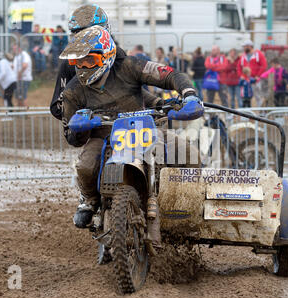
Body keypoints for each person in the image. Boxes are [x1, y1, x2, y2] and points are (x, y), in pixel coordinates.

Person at [59, 25, 202, 228]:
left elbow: (169, 74)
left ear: (106, 55)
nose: (84, 67)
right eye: (78, 61)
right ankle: (90, 200)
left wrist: (188, 94)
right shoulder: (72, 91)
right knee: (85, 165)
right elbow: (71, 137)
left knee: (189, 154)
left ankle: (187, 204)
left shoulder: (128, 66)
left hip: (146, 129)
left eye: (90, 60)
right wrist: (81, 126)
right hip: (104, 136)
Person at [50, 4, 163, 122]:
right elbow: (56, 107)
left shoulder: (116, 54)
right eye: (78, 33)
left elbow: (128, 87)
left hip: (121, 123)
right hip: (92, 128)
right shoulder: (69, 63)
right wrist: (86, 115)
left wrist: (157, 102)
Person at [237, 39, 267, 107]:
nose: (244, 48)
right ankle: (247, 114)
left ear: (249, 46)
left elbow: (263, 65)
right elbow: (238, 67)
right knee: (246, 97)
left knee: (258, 96)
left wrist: (258, 75)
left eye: (245, 46)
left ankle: (261, 113)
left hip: (255, 80)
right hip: (246, 80)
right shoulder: (243, 56)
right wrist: (241, 76)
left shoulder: (258, 54)